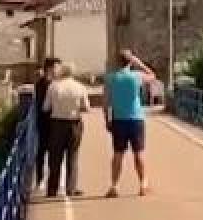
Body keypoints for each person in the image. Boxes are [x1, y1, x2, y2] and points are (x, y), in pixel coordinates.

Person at [102, 48, 156, 197]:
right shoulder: (136, 76)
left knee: (118, 154)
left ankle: (114, 186)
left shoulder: (110, 78)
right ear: (130, 62)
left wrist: (107, 120)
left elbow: (106, 103)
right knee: (139, 153)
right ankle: (143, 184)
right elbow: (152, 76)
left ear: (117, 62)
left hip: (119, 119)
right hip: (136, 119)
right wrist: (139, 63)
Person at [43, 62, 91, 198]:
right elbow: (86, 108)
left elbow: (46, 107)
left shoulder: (53, 86)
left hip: (57, 124)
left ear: (61, 72)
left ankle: (52, 189)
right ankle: (71, 188)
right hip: (74, 123)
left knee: (55, 158)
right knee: (73, 156)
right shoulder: (80, 87)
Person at [33, 57, 60, 188]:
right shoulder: (43, 84)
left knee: (53, 151)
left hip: (53, 121)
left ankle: (49, 178)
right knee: (43, 150)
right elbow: (44, 104)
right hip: (45, 121)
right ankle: (40, 179)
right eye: (56, 67)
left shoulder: (53, 83)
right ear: (50, 68)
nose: (58, 70)